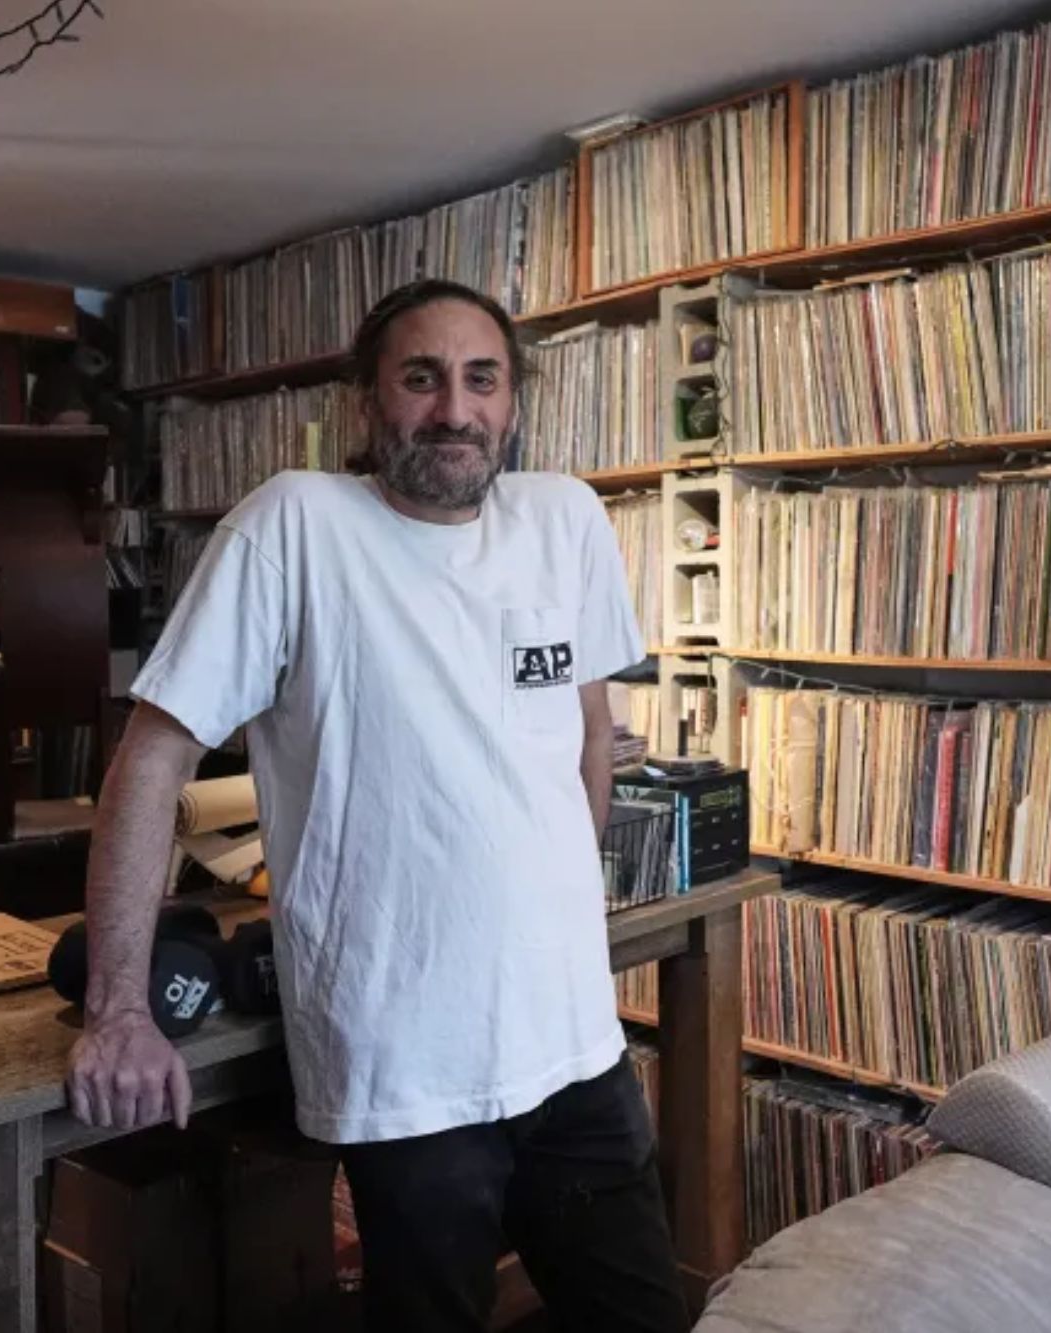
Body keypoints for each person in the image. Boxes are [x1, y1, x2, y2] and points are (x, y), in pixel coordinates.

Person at [64, 278, 687, 1333]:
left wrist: (555, 909)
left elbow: (589, 732)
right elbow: (152, 758)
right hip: (405, 1070)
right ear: (367, 401)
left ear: (513, 400)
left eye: (481, 379)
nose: (455, 409)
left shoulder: (566, 519)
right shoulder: (294, 526)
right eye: (421, 378)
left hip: (576, 1046)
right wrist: (118, 1010)